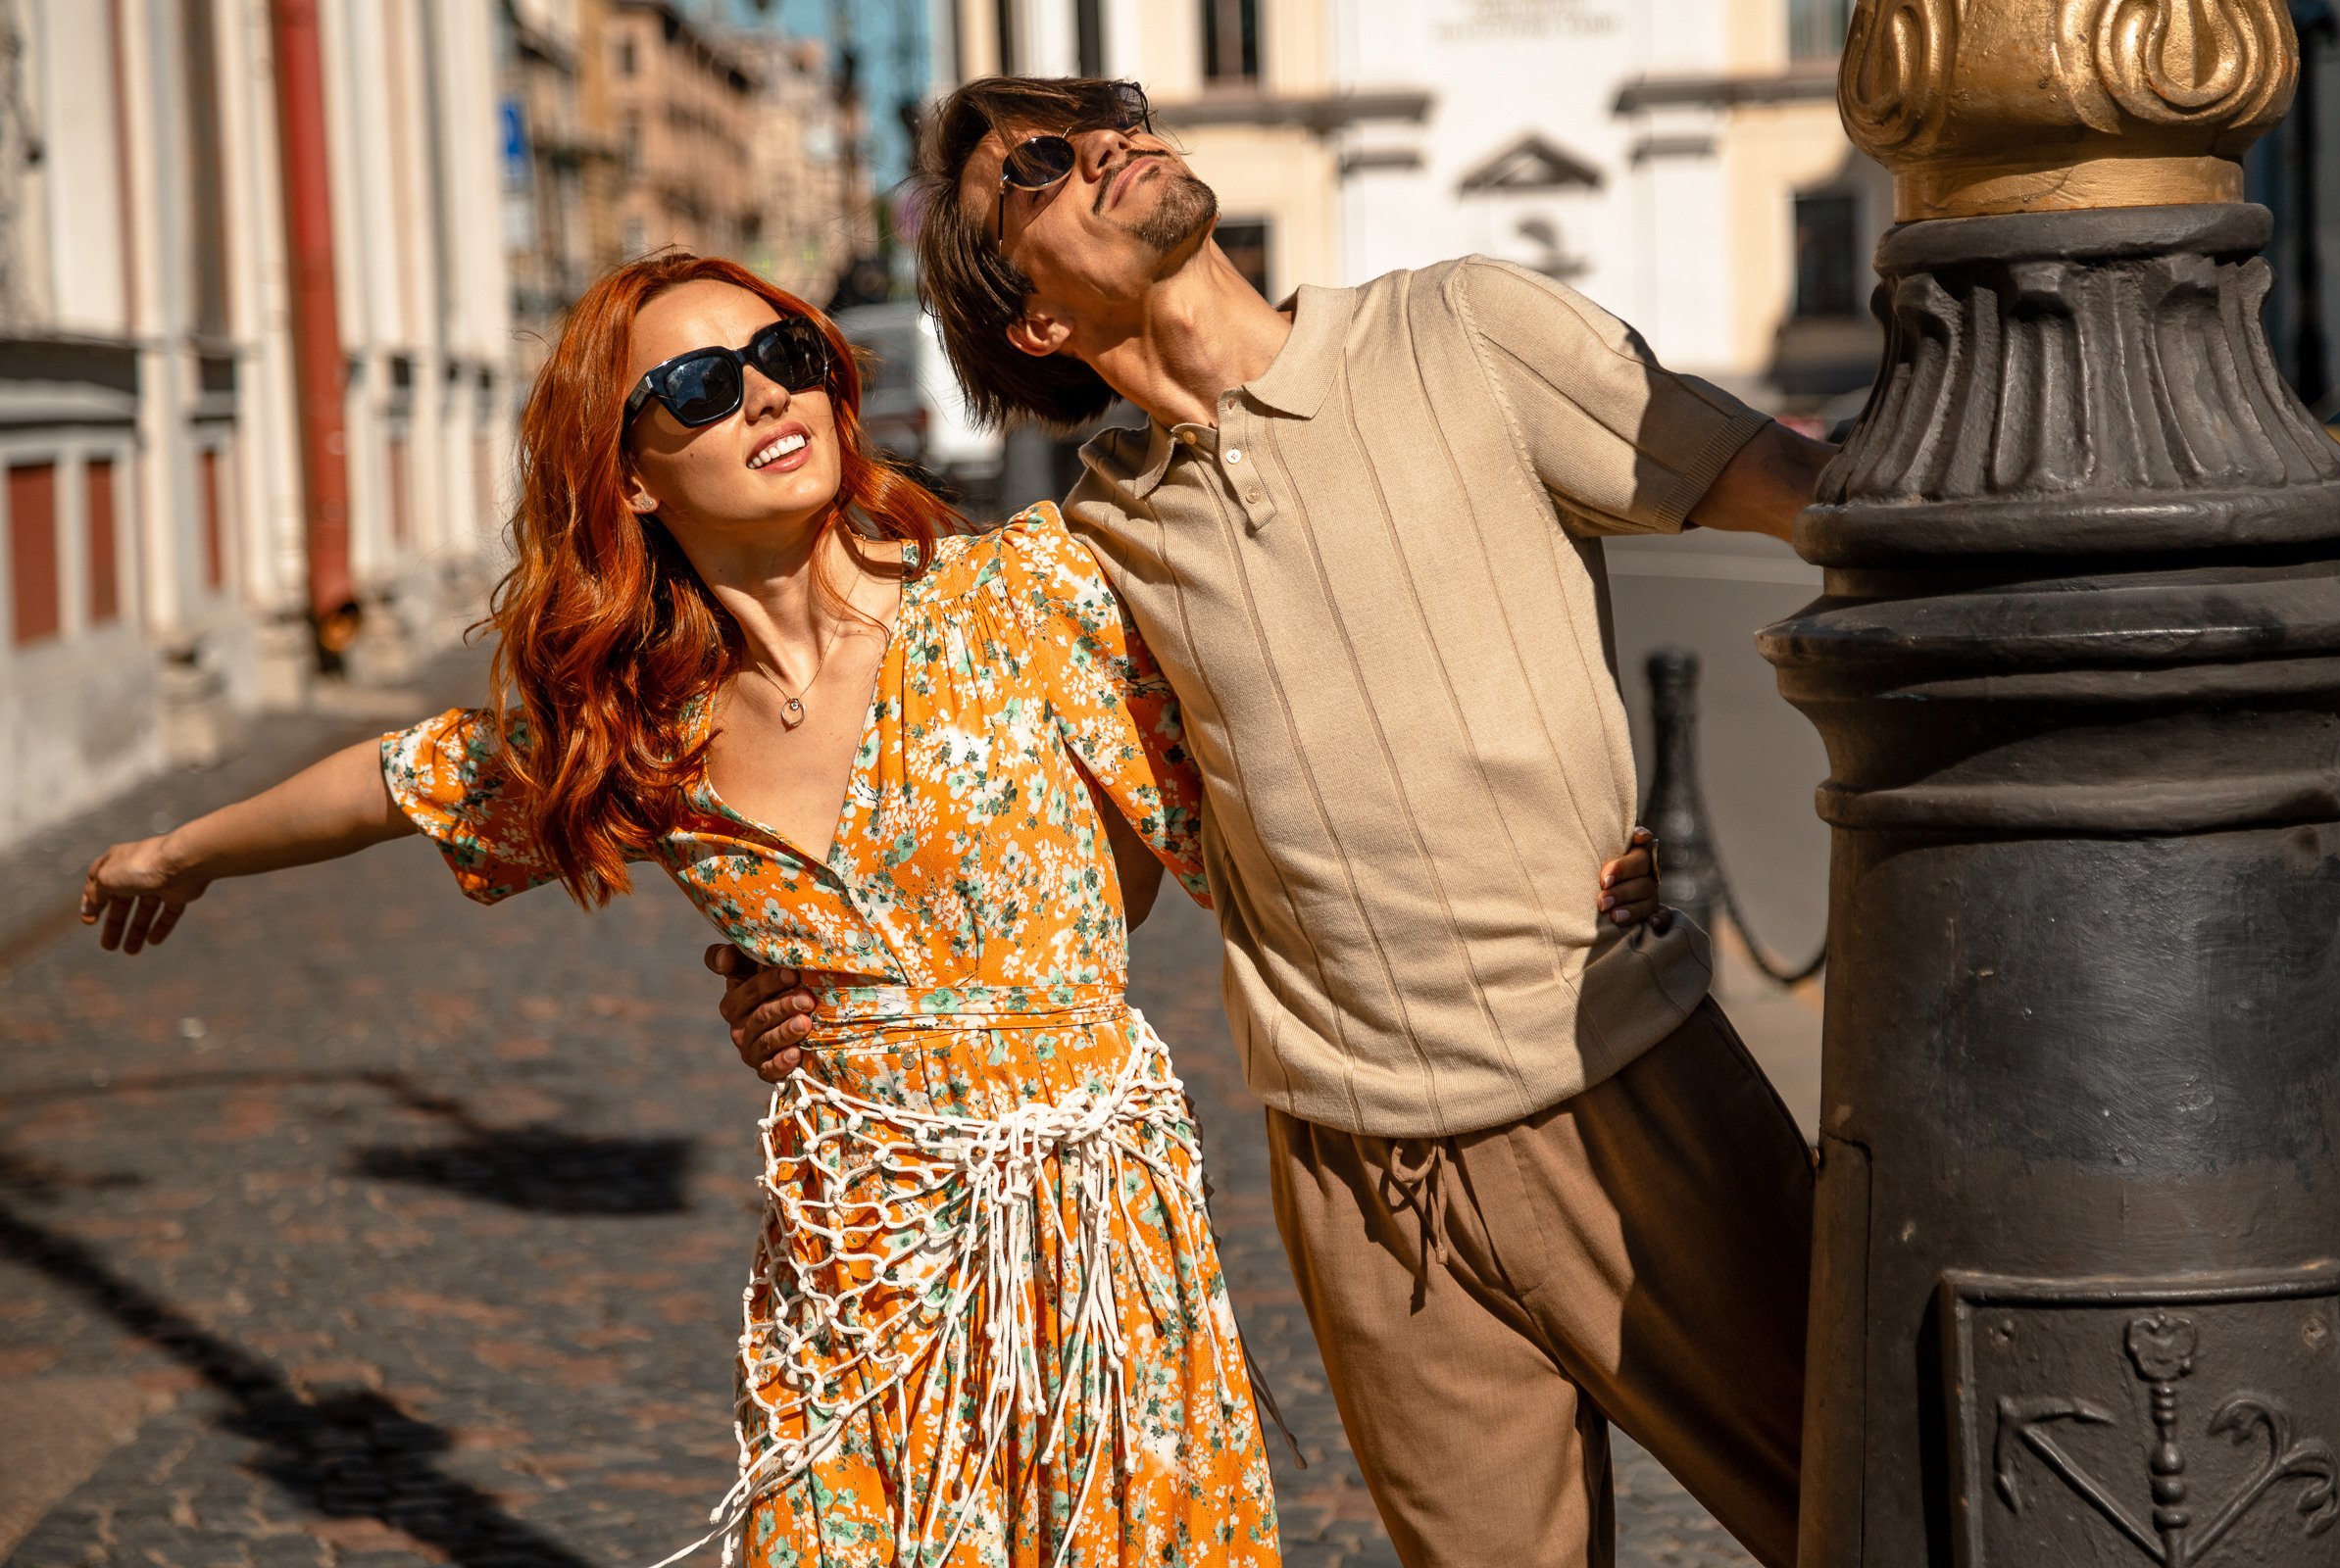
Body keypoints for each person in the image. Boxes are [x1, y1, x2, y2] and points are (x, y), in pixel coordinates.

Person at [719, 77, 1834, 1568]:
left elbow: (1827, 505)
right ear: (1035, 322)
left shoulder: (1468, 332)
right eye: (1043, 163)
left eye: (1106, 115)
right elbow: (992, 825)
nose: (1111, 141)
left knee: (1870, 1514)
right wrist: (806, 979)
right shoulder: (1095, 547)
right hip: (1363, 1190)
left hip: (1616, 1083)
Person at [79, 254, 1312, 1568]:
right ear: (628, 476)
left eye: (788, 358)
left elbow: (1215, 796)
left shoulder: (1024, 594)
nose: (765, 398)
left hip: (1087, 1229)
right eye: (699, 387)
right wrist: (179, 851)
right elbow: (402, 781)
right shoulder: (641, 734)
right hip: (856, 1265)